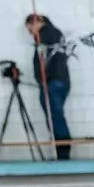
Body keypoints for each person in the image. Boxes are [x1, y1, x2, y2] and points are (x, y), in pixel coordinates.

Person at [26, 14, 74, 159]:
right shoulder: (54, 33)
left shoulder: (45, 34)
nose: (31, 33)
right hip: (58, 81)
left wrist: (45, 79)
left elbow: (46, 60)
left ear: (35, 23)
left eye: (30, 29)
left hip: (53, 82)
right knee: (55, 116)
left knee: (55, 117)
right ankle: (61, 150)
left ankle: (63, 151)